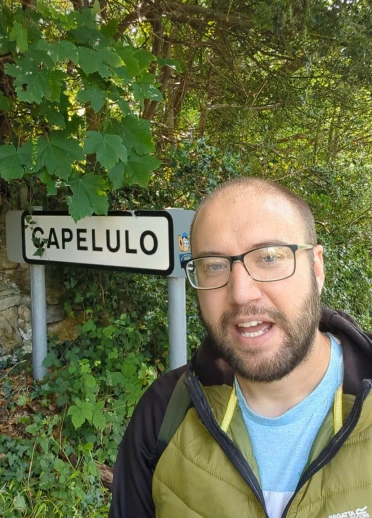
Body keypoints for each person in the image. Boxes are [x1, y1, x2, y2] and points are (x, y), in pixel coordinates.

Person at [109, 177, 372, 518]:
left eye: (268, 257)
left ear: (317, 268)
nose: (241, 293)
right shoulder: (163, 413)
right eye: (214, 266)